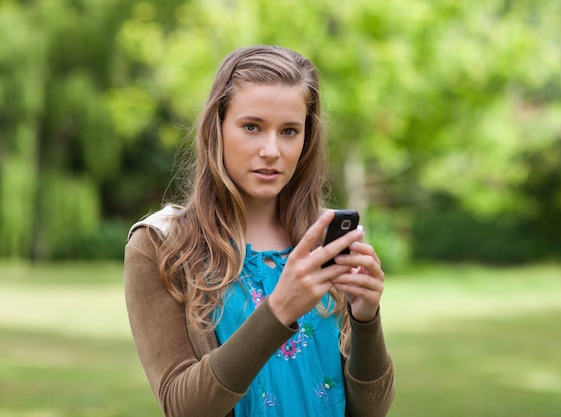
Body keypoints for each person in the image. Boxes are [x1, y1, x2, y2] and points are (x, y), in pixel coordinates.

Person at [124, 45, 395, 417]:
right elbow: (183, 407)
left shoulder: (322, 239)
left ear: (306, 139)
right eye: (252, 127)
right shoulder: (161, 244)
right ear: (217, 127)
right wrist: (280, 309)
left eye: (289, 131)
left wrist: (366, 320)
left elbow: (372, 410)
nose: (272, 150)